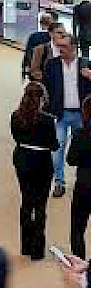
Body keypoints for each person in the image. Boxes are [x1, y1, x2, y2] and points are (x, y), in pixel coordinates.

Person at [9, 82, 58, 261]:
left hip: (22, 159)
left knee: (26, 201)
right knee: (40, 205)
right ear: (42, 99)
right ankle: (37, 249)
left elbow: (15, 137)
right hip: (42, 163)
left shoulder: (16, 116)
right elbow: (53, 145)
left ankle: (25, 245)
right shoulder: (48, 120)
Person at [42, 28, 91, 198]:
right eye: (59, 46)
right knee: (57, 150)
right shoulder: (52, 64)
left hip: (82, 116)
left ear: (74, 47)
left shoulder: (86, 64)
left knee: (84, 150)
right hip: (60, 115)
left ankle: (81, 181)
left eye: (64, 46)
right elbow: (46, 89)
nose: (60, 49)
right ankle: (59, 182)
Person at [67, 93, 91, 258]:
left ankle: (79, 263)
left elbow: (71, 160)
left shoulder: (80, 134)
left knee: (77, 229)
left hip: (84, 187)